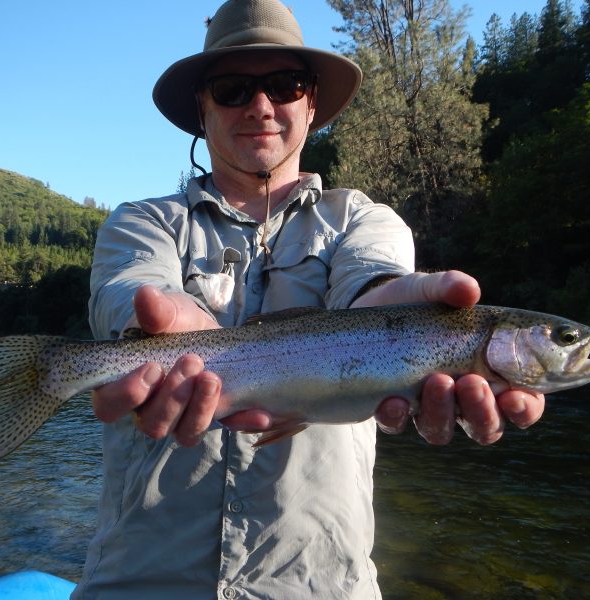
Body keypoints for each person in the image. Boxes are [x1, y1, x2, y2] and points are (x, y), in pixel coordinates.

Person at [76, 1, 545, 598]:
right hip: (142, 581)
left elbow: (373, 285)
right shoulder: (141, 222)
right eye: (232, 89)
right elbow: (125, 294)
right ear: (203, 105)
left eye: (284, 85)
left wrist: (392, 309)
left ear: (312, 102)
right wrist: (160, 315)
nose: (261, 106)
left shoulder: (364, 221)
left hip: (318, 584)